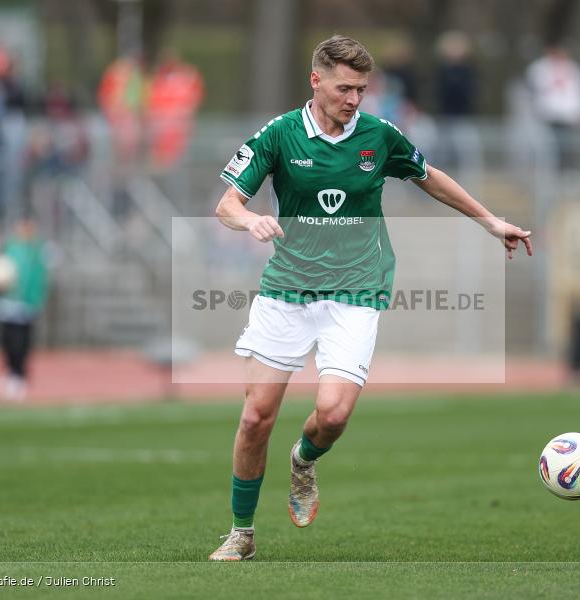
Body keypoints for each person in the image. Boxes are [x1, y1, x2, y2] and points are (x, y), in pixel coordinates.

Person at [208, 35, 533, 561]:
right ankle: (241, 534)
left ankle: (304, 459)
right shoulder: (279, 134)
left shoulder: (379, 135)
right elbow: (227, 204)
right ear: (316, 81)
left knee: (333, 415)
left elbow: (429, 177)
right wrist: (250, 220)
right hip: (287, 289)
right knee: (255, 418)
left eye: (361, 88)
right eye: (345, 88)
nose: (354, 99)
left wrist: (491, 221)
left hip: (356, 290)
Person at [0, 216, 50, 401]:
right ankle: (10, 372)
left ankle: (19, 375)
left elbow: (40, 277)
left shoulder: (37, 251)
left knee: (21, 343)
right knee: (6, 341)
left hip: (26, 305)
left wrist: (36, 300)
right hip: (7, 303)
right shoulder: (9, 248)